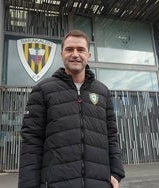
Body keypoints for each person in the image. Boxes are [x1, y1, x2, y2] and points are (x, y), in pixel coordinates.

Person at [18, 29, 125, 188]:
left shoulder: (102, 92)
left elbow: (111, 136)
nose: (75, 54)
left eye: (80, 50)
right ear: (61, 54)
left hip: (98, 182)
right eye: (69, 49)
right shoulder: (43, 90)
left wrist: (115, 173)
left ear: (88, 55)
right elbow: (31, 142)